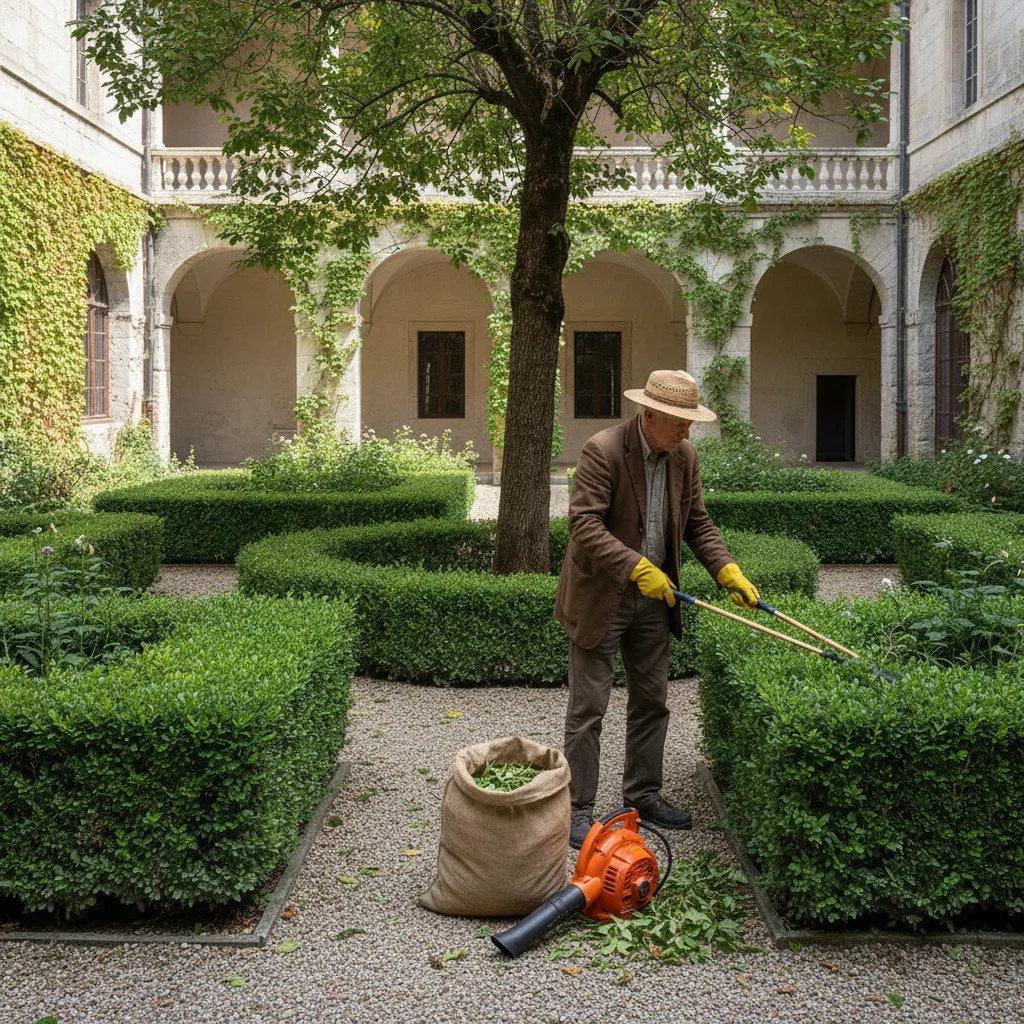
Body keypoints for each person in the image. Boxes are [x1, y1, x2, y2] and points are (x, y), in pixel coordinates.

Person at [555, 369, 760, 848]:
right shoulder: (603, 450)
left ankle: (643, 796)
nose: (687, 432)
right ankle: (577, 810)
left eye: (690, 423)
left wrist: (727, 570)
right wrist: (635, 565)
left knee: (652, 702)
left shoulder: (685, 457)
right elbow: (583, 525)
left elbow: (698, 524)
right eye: (680, 422)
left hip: (654, 598)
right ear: (650, 414)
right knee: (589, 707)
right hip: (600, 596)